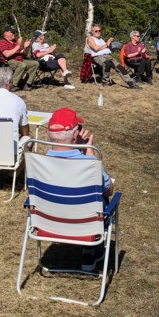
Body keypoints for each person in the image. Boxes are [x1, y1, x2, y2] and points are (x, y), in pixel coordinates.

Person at [44, 106, 114, 273]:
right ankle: (90, 253)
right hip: (84, 224)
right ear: (76, 136)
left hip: (48, 222)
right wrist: (88, 153)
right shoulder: (88, 163)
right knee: (101, 199)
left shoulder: (40, 162)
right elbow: (108, 190)